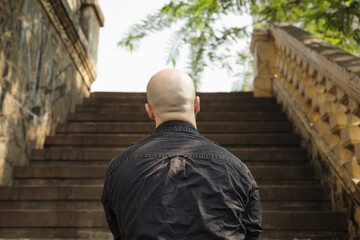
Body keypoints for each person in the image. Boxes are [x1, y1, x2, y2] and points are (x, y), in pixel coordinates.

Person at [102, 68, 263, 240]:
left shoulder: (119, 168)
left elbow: (119, 230)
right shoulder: (237, 169)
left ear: (149, 110)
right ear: (196, 105)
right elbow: (251, 232)